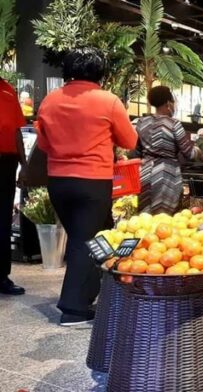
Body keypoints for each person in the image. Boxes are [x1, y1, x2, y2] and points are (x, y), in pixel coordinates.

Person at [37, 48, 138, 326]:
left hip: (58, 181)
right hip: (92, 181)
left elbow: (43, 144)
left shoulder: (49, 101)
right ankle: (74, 308)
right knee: (86, 241)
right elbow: (129, 140)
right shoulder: (108, 101)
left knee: (96, 235)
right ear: (100, 71)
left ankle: (103, 290)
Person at [134, 86, 200, 215]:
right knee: (164, 221)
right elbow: (189, 153)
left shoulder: (141, 122)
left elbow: (135, 151)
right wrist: (198, 150)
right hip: (167, 176)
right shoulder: (174, 124)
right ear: (168, 103)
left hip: (145, 173)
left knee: (144, 220)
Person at [0, 77, 27, 295]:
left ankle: (2, 277)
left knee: (2, 220)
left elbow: (18, 130)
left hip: (6, 163)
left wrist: (24, 165)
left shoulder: (8, 89)